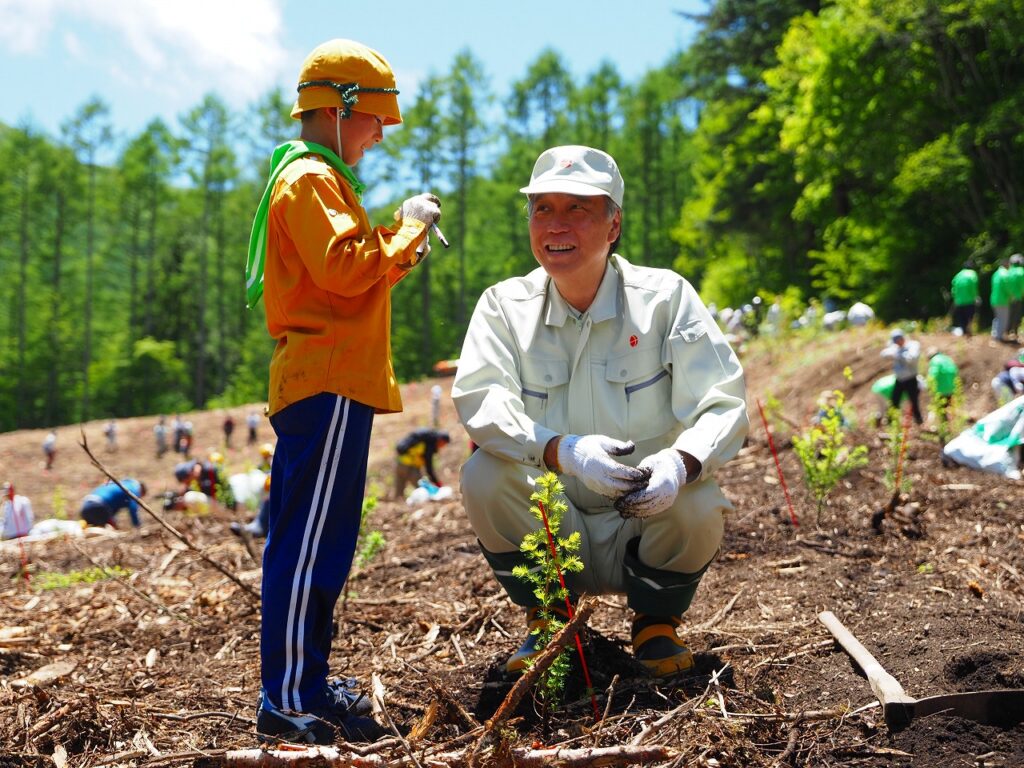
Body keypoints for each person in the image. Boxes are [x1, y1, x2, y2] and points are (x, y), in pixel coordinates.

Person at [452, 145, 748, 679]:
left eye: (578, 208)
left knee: (700, 497)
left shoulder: (665, 298)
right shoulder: (503, 306)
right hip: (554, 522)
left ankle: (656, 622)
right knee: (483, 473)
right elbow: (481, 397)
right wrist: (560, 451)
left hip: (645, 517)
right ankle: (550, 617)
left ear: (614, 225)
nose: (556, 225)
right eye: (543, 208)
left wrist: (679, 463)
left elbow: (723, 400)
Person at [243, 38, 440, 745]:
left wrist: (404, 245)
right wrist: (408, 228)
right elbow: (345, 268)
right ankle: (289, 698)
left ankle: (306, 683)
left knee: (322, 541)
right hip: (325, 381)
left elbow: (352, 279)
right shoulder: (310, 179)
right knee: (307, 544)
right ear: (338, 107)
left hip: (332, 383)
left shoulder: (319, 179)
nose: (381, 134)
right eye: (376, 119)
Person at [881, 328, 923, 425]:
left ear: (902, 338)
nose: (897, 344)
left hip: (911, 379)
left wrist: (898, 354)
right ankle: (890, 421)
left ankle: (919, 421)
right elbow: (884, 354)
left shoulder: (912, 345)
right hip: (900, 379)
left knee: (914, 401)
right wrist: (895, 353)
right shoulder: (896, 348)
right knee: (894, 400)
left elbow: (911, 358)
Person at [393, 428, 450, 499]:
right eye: (444, 444)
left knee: (399, 492)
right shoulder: (429, 445)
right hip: (410, 466)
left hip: (399, 464)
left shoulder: (420, 440)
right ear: (441, 440)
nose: (442, 446)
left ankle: (398, 502)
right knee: (423, 488)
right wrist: (437, 483)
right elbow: (429, 468)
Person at [80, 478, 146, 529]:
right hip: (99, 506)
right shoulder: (134, 489)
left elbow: (112, 512)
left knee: (91, 529)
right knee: (111, 530)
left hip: (86, 504)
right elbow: (133, 508)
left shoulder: (123, 484)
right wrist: (138, 526)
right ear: (141, 491)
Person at [926, 347, 960, 428]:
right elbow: (955, 371)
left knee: (941, 411)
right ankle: (953, 427)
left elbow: (933, 375)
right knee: (950, 408)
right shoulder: (947, 359)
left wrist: (928, 385)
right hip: (951, 388)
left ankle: (945, 428)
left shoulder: (935, 361)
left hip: (940, 389)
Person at [950, 259, 979, 336]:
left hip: (959, 300)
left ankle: (964, 332)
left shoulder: (958, 275)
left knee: (961, 318)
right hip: (969, 300)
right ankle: (968, 331)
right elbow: (973, 287)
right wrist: (976, 296)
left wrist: (955, 298)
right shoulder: (972, 274)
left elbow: (953, 288)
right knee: (970, 317)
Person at [991, 258, 1012, 342]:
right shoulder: (1005, 274)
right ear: (1006, 264)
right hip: (1002, 300)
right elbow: (1007, 288)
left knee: (997, 317)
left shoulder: (996, 273)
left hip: (994, 299)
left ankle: (995, 334)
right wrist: (1011, 295)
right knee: (1003, 319)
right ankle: (999, 337)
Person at [1008, 253, 1024, 341]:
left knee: (1009, 315)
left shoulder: (1009, 271)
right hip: (1018, 297)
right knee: (1017, 315)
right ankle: (1015, 333)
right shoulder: (1021, 271)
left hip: (1008, 298)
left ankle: (1008, 332)